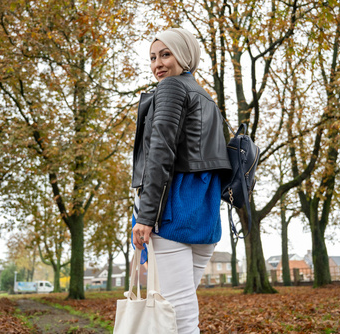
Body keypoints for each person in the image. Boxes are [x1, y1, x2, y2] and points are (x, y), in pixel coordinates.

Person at [131, 28, 231, 334]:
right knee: (180, 314)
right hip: (205, 218)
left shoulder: (171, 88)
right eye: (152, 57)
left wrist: (146, 215)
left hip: (173, 213)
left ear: (184, 55)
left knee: (175, 318)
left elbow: (160, 153)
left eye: (165, 54)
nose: (157, 64)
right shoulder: (205, 98)